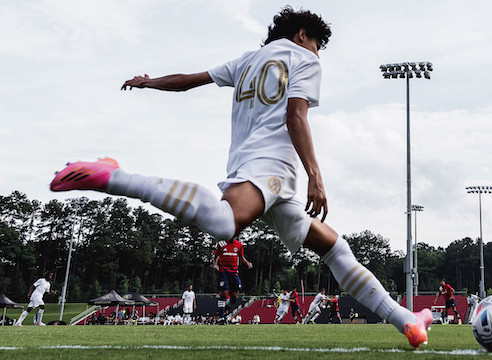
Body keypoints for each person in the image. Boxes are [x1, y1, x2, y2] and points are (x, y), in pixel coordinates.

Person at [49, 6, 432, 349]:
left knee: (334, 249)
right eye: (317, 43)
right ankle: (114, 177)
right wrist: (316, 175)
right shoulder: (305, 60)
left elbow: (188, 79)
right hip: (272, 168)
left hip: (258, 173)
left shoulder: (248, 60)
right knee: (225, 223)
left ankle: (408, 322)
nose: (318, 51)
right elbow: (295, 116)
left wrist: (150, 83)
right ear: (301, 35)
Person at [213, 238, 253, 317]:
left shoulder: (239, 244)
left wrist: (247, 263)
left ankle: (224, 309)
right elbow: (215, 256)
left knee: (235, 297)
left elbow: (241, 258)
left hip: (234, 273)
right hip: (223, 271)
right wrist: (215, 265)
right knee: (224, 293)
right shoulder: (221, 243)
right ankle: (221, 317)